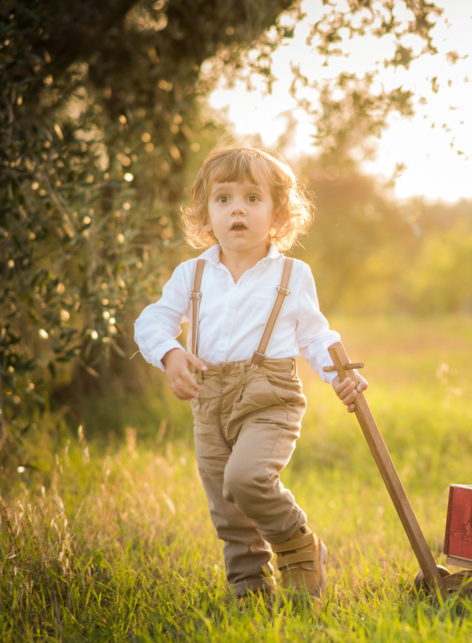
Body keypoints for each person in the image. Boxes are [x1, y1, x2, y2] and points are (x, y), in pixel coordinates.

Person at [134, 145, 367, 602]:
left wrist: (337, 373)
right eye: (223, 200)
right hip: (209, 400)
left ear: (278, 215)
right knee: (226, 506)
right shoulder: (192, 274)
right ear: (206, 215)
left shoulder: (292, 275)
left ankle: (298, 547)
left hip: (270, 398)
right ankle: (250, 589)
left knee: (247, 478)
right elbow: (153, 320)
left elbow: (315, 336)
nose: (236, 208)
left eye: (251, 199)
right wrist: (171, 354)